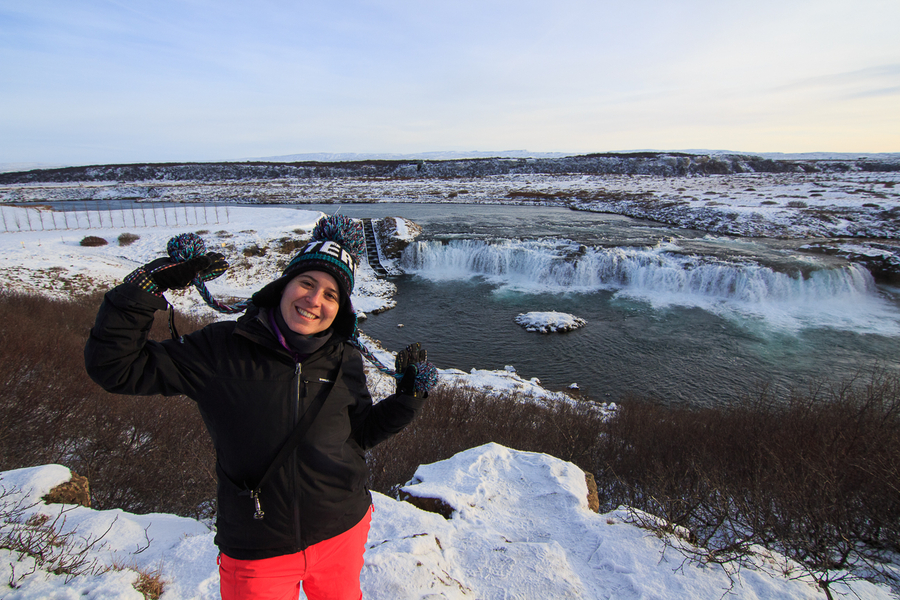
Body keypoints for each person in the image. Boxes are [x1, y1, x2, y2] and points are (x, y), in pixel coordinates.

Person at [84, 215, 436, 600]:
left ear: (342, 308)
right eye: (306, 282)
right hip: (258, 548)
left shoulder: (344, 357)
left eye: (331, 295)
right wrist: (146, 288)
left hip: (343, 530)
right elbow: (115, 368)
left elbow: (358, 434)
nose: (314, 300)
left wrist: (408, 399)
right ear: (283, 286)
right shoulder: (221, 349)